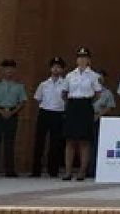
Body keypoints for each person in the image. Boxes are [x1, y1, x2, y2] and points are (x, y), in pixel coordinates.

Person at [61, 49, 102, 181]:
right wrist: (72, 103)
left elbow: (97, 94)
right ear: (76, 60)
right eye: (80, 57)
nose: (82, 60)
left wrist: (86, 102)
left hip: (85, 106)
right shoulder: (69, 75)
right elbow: (64, 93)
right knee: (70, 140)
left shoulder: (94, 76)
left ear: (89, 60)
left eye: (85, 57)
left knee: (84, 141)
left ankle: (82, 171)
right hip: (72, 106)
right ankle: (68, 172)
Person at [0, 59, 26, 178]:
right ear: (3, 70)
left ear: (15, 70)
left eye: (11, 68)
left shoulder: (19, 87)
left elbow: (22, 102)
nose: (9, 71)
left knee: (10, 142)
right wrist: (1, 111)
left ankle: (10, 170)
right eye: (7, 68)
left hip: (12, 114)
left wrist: (12, 112)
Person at [31, 56, 68, 178]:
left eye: (59, 67)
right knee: (39, 142)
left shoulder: (66, 84)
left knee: (55, 143)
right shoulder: (43, 84)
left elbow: (67, 100)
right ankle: (36, 170)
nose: (56, 69)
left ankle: (53, 170)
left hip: (58, 113)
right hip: (45, 113)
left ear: (62, 70)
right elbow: (38, 99)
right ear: (50, 69)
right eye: (54, 67)